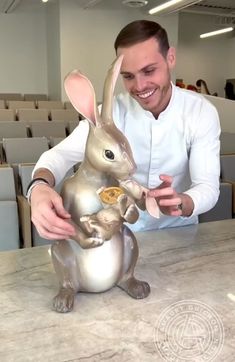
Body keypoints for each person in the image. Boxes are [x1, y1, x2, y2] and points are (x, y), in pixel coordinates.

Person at [28, 20, 221, 240]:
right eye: (128, 76)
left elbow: (207, 186)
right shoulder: (110, 114)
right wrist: (39, 187)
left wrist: (183, 202)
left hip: (180, 232)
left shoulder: (200, 112)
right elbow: (59, 155)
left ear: (171, 58)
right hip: (120, 234)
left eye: (149, 71)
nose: (139, 86)